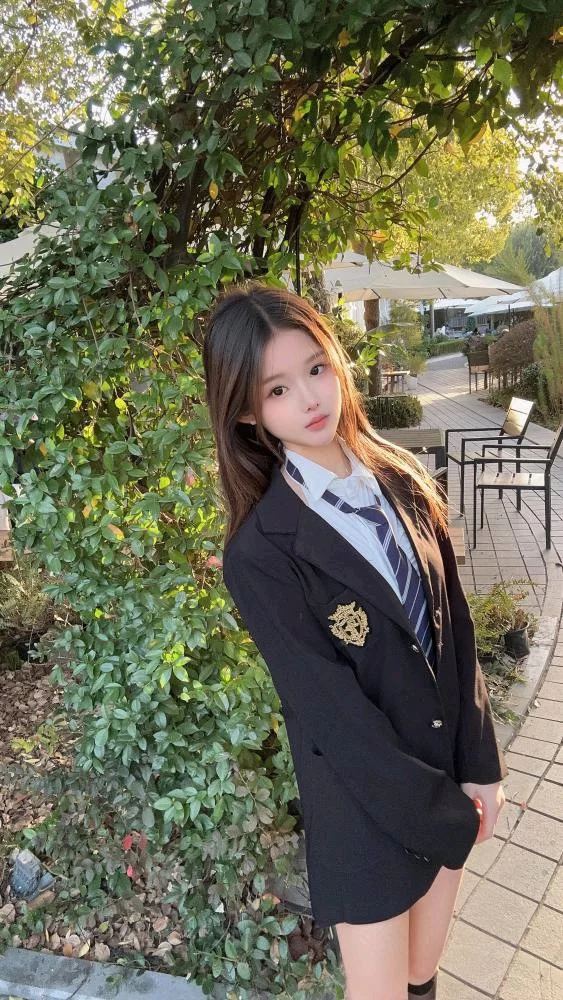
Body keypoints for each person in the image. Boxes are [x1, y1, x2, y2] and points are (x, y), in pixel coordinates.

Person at [203, 284, 507, 1000]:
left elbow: (455, 629)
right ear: (246, 412)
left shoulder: (402, 480)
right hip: (366, 806)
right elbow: (331, 714)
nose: (310, 398)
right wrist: (440, 813)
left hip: (447, 777)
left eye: (316, 368)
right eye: (277, 389)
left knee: (422, 974)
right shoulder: (262, 553)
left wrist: (481, 767)